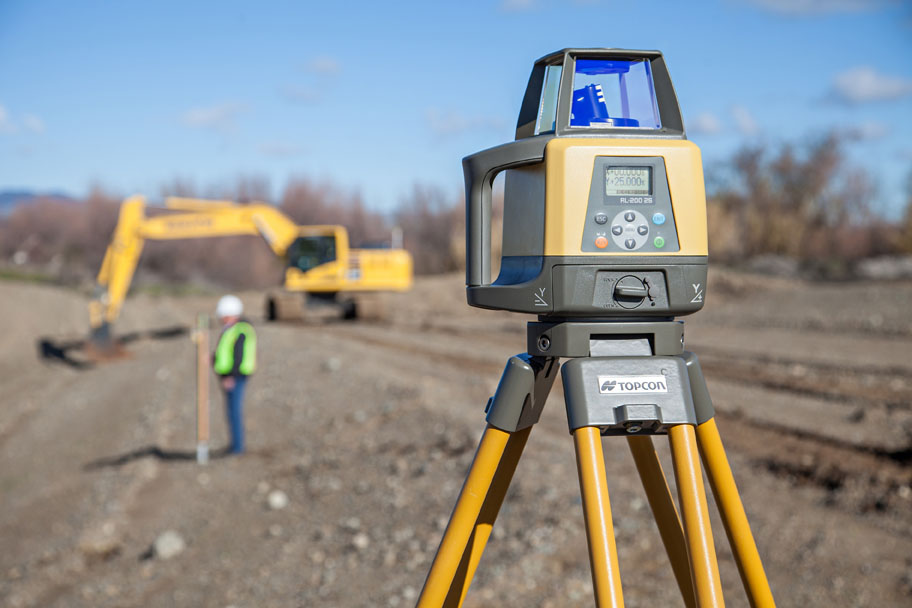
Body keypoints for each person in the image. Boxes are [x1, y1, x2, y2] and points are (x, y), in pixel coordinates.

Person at [213, 294, 257, 454]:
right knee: (231, 410)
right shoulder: (232, 329)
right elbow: (225, 352)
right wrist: (213, 358)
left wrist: (229, 376)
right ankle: (235, 445)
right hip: (232, 375)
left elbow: (238, 356)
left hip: (235, 377)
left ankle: (237, 447)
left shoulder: (240, 330)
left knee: (234, 411)